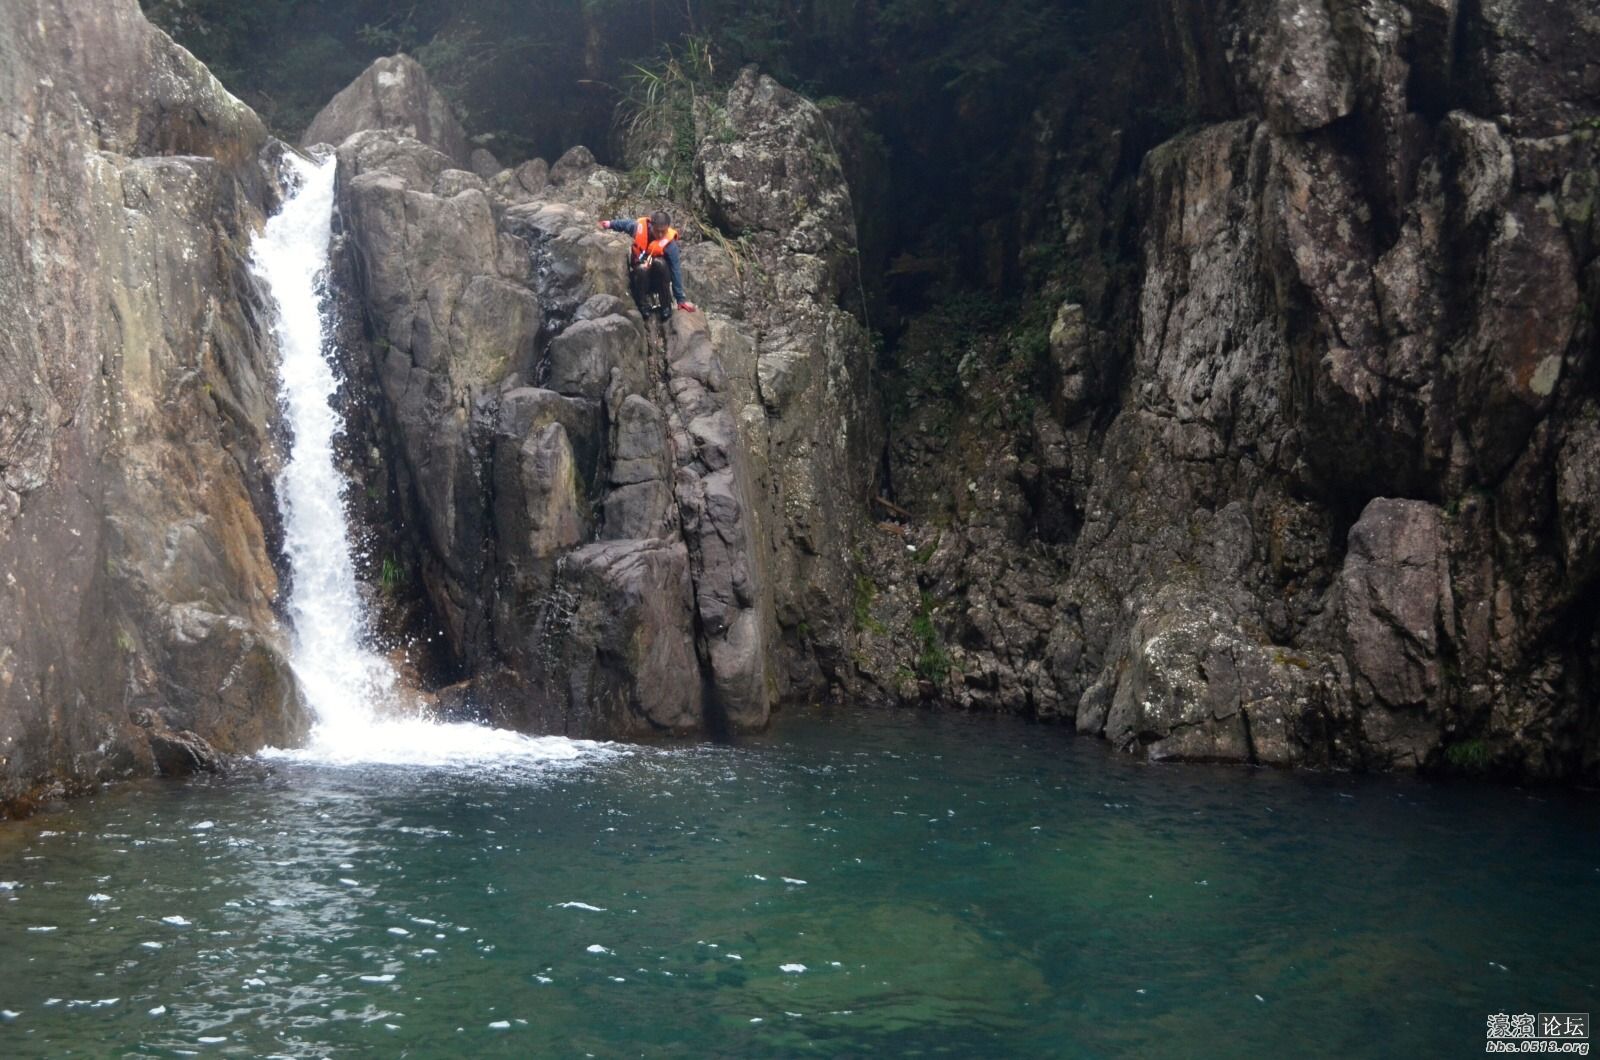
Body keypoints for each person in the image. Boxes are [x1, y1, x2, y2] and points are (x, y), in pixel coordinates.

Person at [599, 211, 697, 320]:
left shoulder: (670, 245)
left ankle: (665, 306)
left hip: (659, 279)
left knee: (660, 263)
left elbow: (676, 270)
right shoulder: (639, 228)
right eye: (657, 231)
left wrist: (680, 300)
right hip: (640, 277)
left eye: (663, 232)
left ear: (668, 228)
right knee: (641, 269)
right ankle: (643, 306)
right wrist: (609, 224)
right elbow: (624, 224)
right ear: (651, 225)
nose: (660, 235)